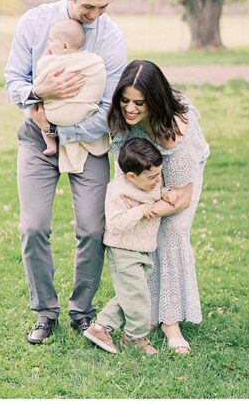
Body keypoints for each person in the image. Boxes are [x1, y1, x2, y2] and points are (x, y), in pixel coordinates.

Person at [4, 0, 127, 345]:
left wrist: (60, 126)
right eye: (88, 6)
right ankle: (44, 311)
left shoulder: (111, 38)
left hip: (87, 140)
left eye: (103, 7)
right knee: (34, 226)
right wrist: (41, 96)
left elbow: (110, 108)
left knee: (93, 228)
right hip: (36, 137)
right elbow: (13, 82)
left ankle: (82, 310)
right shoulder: (34, 23)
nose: (95, 15)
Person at [108, 60, 208, 354]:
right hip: (144, 178)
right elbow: (124, 177)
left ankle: (171, 322)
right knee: (144, 238)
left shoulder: (176, 128)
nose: (130, 109)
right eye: (125, 100)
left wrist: (150, 209)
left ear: (154, 101)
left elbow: (182, 197)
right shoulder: (122, 124)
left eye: (140, 103)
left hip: (181, 180)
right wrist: (137, 209)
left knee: (171, 232)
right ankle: (147, 313)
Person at [83, 138, 180, 356]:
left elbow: (155, 191)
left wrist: (165, 192)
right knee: (137, 296)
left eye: (159, 175)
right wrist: (140, 211)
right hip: (123, 250)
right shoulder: (118, 191)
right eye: (152, 177)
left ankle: (100, 328)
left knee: (132, 294)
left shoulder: (150, 183)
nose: (157, 180)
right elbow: (115, 224)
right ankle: (134, 337)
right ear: (131, 177)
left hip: (144, 249)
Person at [34, 18, 110, 173]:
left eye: (51, 41)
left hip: (55, 116)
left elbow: (40, 75)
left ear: (64, 46)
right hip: (84, 114)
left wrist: (44, 58)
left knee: (40, 114)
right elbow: (98, 74)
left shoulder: (52, 62)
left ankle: (51, 144)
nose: (49, 44)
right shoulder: (90, 61)